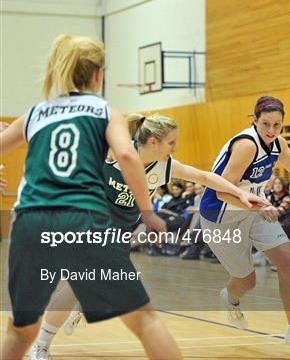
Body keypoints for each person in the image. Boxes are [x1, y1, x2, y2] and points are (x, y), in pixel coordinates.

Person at [28, 112, 268, 359]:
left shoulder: (165, 166)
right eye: (171, 142)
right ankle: (41, 346)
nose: (175, 147)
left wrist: (240, 194)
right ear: (153, 141)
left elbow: (205, 177)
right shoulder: (114, 152)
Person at [0, 34, 181, 359]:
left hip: (29, 221)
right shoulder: (102, 110)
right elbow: (127, 157)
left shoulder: (36, 112)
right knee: (145, 321)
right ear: (98, 74)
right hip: (82, 220)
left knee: (20, 331)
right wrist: (148, 210)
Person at [199, 95, 290, 351]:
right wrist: (260, 204)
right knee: (247, 281)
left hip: (256, 209)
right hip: (220, 215)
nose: (271, 130)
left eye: (276, 125)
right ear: (254, 121)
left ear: (282, 125)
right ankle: (230, 298)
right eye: (265, 124)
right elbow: (222, 191)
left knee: (289, 262)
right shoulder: (247, 145)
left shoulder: (278, 143)